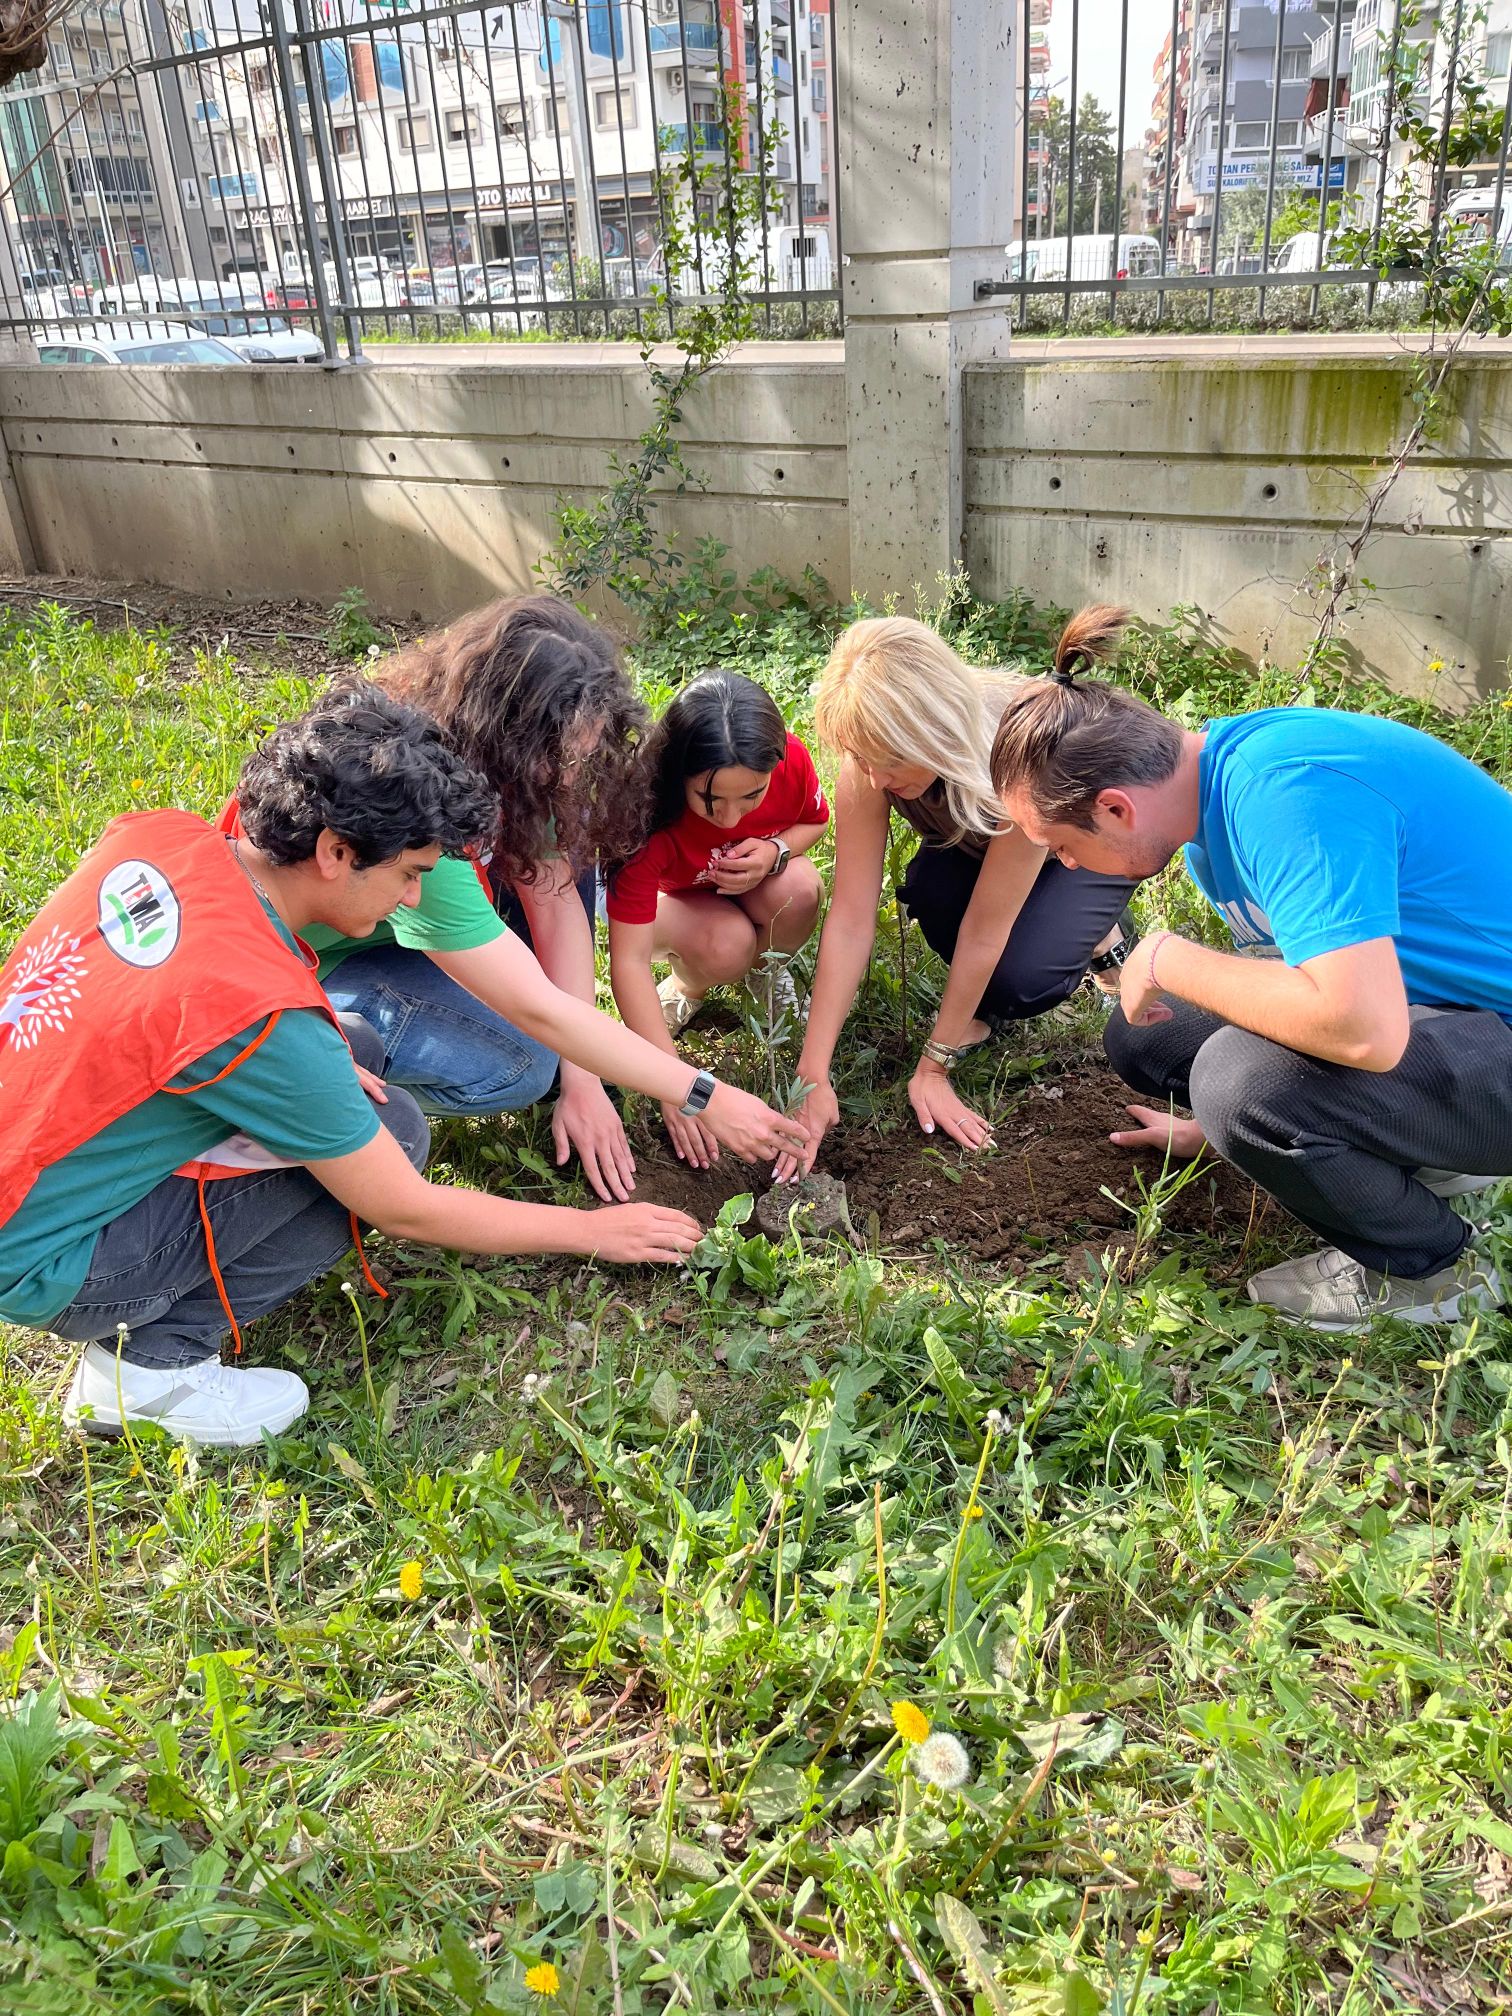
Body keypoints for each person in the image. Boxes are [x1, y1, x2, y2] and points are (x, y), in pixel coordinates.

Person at [0, 682, 802, 1448]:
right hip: (44, 1260)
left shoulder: (161, 838)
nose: (416, 901)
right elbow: (407, 1209)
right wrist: (591, 1232)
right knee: (393, 1134)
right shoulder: (259, 1017)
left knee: (358, 1056)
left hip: (26, 1161)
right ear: (335, 852)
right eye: (411, 875)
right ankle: (150, 1370)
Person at [988, 657, 1512, 1331]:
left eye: (1060, 844)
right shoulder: (1212, 804)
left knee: (1240, 1078)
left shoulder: (1283, 794)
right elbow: (1295, 999)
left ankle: (1432, 1271)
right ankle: (1426, 1154)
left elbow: (1361, 1029)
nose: (1064, 864)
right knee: (1154, 1035)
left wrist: (1167, 956)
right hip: (1464, 1010)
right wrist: (1227, 1134)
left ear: (1115, 808)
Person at [246, 596, 658, 1204]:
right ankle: (321, 1079)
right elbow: (537, 1009)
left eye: (585, 755)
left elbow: (557, 902)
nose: (572, 775)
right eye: (562, 757)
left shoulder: (512, 769)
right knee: (524, 1063)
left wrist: (587, 1081)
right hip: (308, 970)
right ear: (506, 734)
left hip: (396, 933)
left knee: (572, 865)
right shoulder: (420, 806)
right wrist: (701, 1095)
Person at [776, 613, 1139, 1180]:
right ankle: (1013, 969)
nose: (873, 780)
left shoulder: (1019, 757)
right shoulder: (871, 754)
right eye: (862, 760)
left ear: (934, 728)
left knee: (1021, 982)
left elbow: (984, 931)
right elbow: (850, 916)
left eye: (888, 760)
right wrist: (812, 1073)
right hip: (980, 841)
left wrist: (934, 1067)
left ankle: (1102, 933)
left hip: (1084, 848)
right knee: (929, 888)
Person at [606, 670, 828, 1167]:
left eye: (752, 797)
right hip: (675, 906)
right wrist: (672, 1086)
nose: (730, 818)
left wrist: (775, 851)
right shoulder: (643, 814)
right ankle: (688, 987)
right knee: (727, 945)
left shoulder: (788, 759)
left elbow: (814, 820)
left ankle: (766, 972)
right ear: (676, 771)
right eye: (710, 799)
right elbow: (629, 960)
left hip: (756, 886)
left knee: (800, 889)